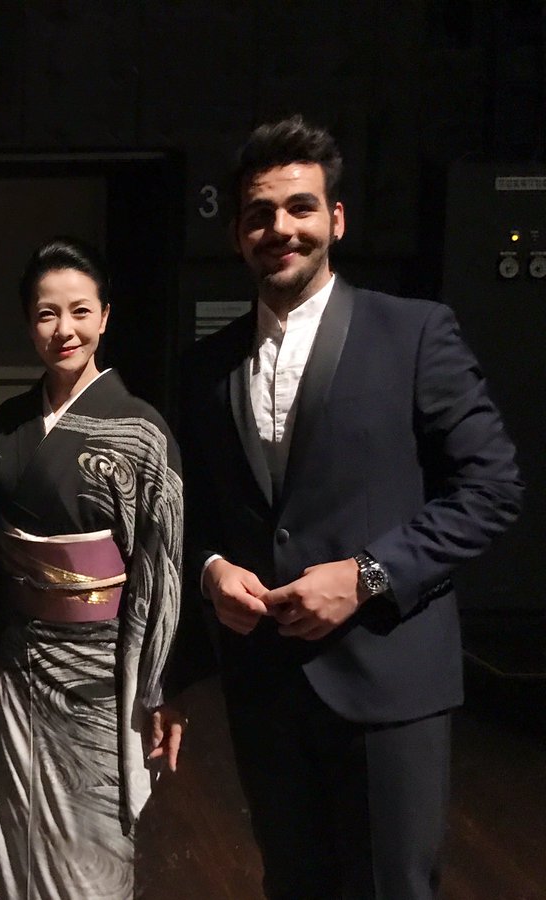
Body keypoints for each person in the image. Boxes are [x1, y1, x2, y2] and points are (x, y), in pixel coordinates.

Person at [179, 116, 523, 899]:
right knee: (292, 883)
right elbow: (196, 511)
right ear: (237, 235)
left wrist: (367, 575)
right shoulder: (205, 367)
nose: (281, 228)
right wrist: (210, 569)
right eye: (260, 214)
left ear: (336, 219)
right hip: (266, 688)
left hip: (387, 676)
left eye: (300, 207)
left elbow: (492, 487)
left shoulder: (413, 332)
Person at [0, 237, 187, 898]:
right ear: (29, 322)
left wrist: (157, 687)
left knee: (90, 836)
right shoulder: (8, 424)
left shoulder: (142, 431)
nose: (64, 329)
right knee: (14, 824)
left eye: (80, 311)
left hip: (97, 667)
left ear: (105, 317)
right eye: (46, 314)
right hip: (16, 655)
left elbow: (161, 568)